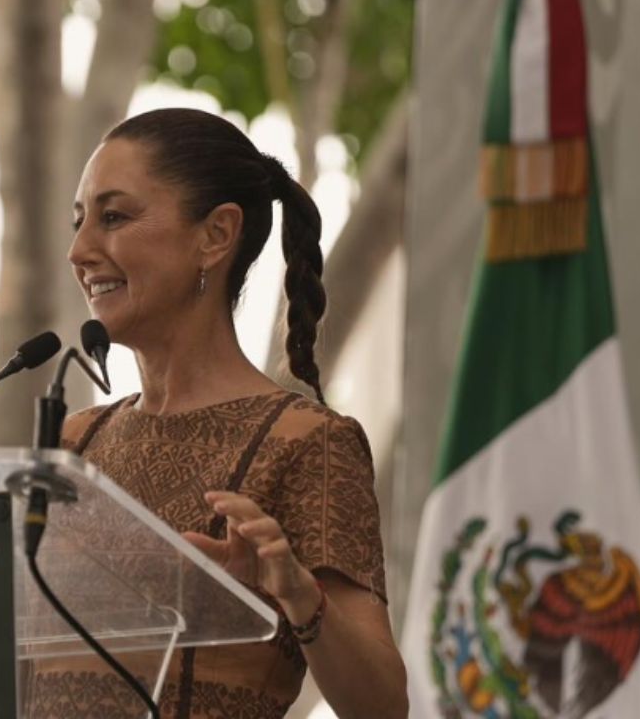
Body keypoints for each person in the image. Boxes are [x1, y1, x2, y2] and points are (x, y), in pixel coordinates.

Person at [26, 108, 407, 718]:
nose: (79, 250)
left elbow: (383, 706)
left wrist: (300, 601)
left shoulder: (306, 440)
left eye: (114, 217)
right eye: (78, 222)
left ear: (215, 235)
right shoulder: (77, 441)